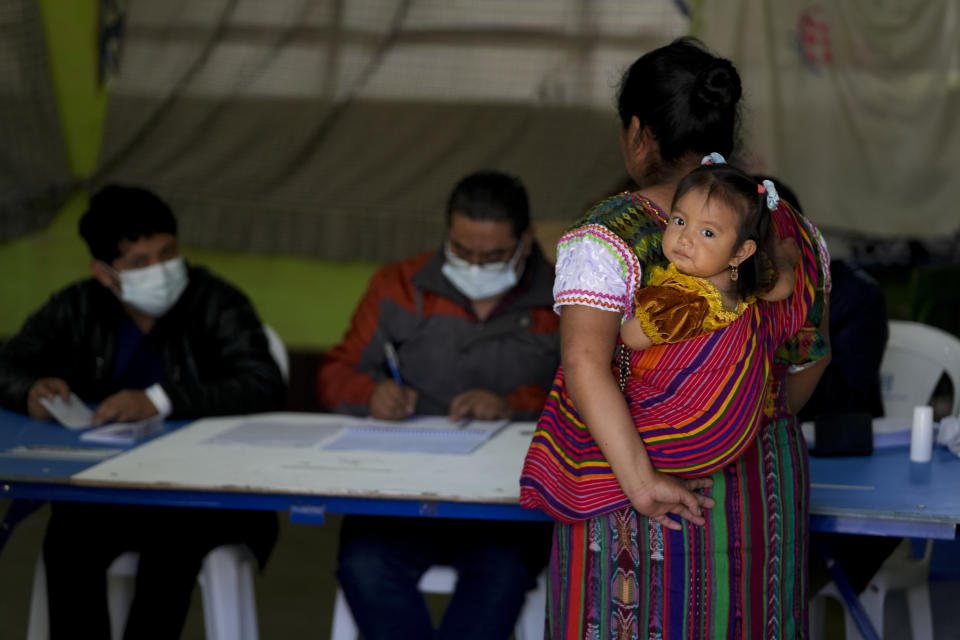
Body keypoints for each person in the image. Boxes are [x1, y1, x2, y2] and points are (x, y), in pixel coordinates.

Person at [518, 38, 830, 638]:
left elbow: (587, 365)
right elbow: (810, 357)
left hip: (644, 499)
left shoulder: (607, 235)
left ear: (638, 133)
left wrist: (642, 481)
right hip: (766, 496)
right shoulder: (785, 224)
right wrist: (736, 416)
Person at [0, 185, 285, 640]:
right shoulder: (76, 308)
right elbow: (9, 363)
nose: (161, 269)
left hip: (206, 492)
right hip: (111, 485)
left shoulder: (215, 302)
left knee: (174, 540)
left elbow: (263, 382)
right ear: (105, 273)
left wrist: (161, 399)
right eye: (140, 262)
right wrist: (28, 389)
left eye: (167, 253)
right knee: (69, 536)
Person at [317, 170, 560, 640]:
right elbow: (335, 374)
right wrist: (371, 394)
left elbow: (595, 394)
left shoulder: (566, 299)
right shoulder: (398, 286)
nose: (473, 264)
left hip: (507, 507)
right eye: (461, 250)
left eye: (491, 256)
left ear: (525, 242)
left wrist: (513, 405)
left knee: (503, 575)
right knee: (362, 565)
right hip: (403, 497)